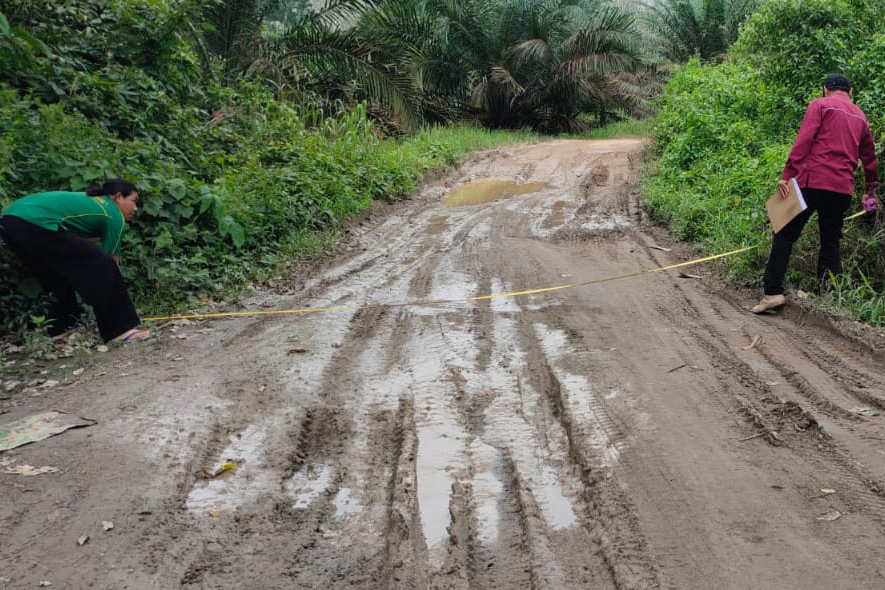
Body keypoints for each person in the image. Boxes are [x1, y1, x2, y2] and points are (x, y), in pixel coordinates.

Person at [752, 73, 880, 314]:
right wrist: (869, 193)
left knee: (785, 234)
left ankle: (772, 293)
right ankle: (828, 296)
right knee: (830, 241)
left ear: (824, 89)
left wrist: (787, 174)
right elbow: (870, 161)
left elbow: (804, 141)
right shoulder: (861, 116)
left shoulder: (819, 105)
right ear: (850, 93)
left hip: (812, 181)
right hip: (842, 189)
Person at [0, 179, 152, 343]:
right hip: (35, 222)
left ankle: (62, 328)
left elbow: (78, 250)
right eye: (134, 201)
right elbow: (110, 262)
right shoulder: (113, 214)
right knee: (105, 266)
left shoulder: (91, 203)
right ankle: (120, 330)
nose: (135, 208)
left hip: (10, 222)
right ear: (118, 197)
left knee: (56, 274)